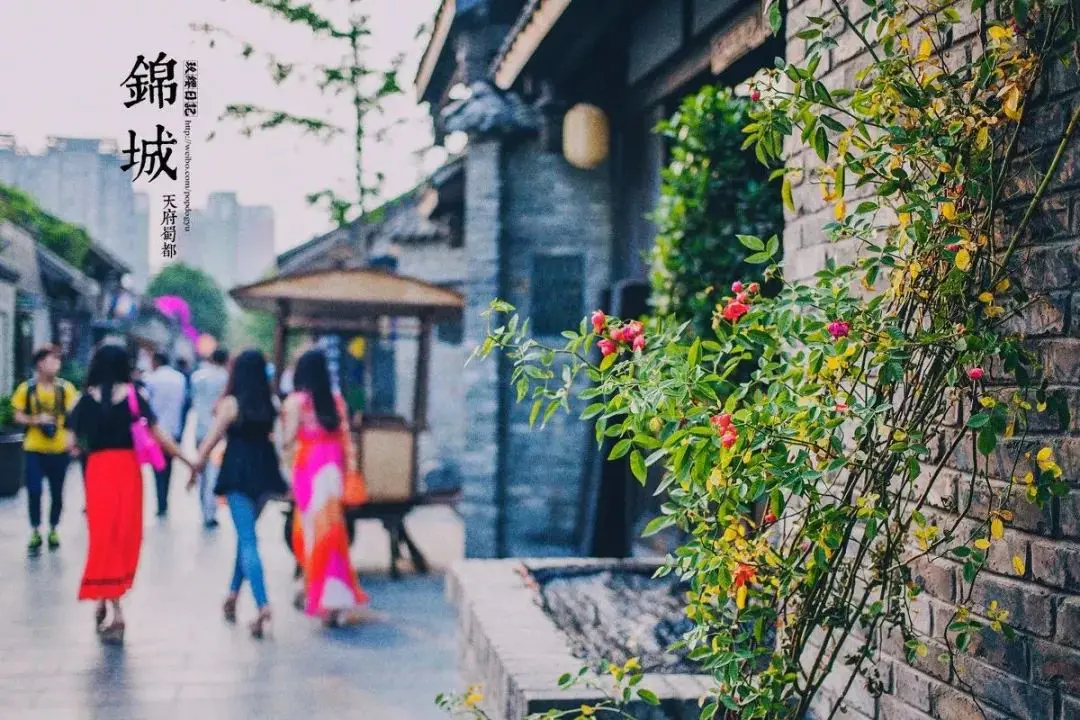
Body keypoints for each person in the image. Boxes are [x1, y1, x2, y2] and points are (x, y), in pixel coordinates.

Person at [67, 344, 193, 644]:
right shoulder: (136, 397)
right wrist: (189, 462)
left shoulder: (84, 400)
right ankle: (113, 604)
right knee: (124, 536)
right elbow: (159, 434)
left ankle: (108, 602)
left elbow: (72, 444)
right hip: (127, 473)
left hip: (98, 473)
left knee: (102, 537)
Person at [191, 349, 288, 639]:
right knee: (246, 538)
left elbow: (211, 439)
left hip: (237, 471)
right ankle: (232, 595)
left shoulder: (231, 404)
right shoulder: (271, 402)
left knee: (248, 540)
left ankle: (262, 604)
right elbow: (279, 441)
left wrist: (195, 466)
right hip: (264, 473)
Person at [280, 348, 369, 627]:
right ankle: (337, 599)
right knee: (333, 533)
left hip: (308, 468)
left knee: (309, 532)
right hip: (332, 469)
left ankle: (318, 594)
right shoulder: (337, 401)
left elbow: (288, 440)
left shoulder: (297, 402)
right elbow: (346, 441)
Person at [12, 345, 79, 554]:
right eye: (52, 360)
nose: (57, 364)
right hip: (34, 448)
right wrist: (36, 420)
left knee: (57, 493)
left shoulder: (66, 389)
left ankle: (53, 528)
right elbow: (17, 415)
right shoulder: (27, 389)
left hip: (59, 449)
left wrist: (73, 439)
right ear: (40, 363)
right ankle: (35, 530)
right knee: (34, 490)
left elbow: (75, 415)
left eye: (58, 360)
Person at [190, 349, 230, 529]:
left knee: (203, 470)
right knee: (214, 471)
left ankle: (203, 507)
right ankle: (210, 511)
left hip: (200, 428)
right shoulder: (227, 378)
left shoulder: (198, 377)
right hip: (218, 431)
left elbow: (193, 400)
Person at [144, 352, 186, 517]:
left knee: (158, 467)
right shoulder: (180, 378)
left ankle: (161, 501)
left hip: (156, 429)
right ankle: (165, 499)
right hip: (174, 428)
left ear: (156, 361)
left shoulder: (151, 379)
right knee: (169, 466)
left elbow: (145, 405)